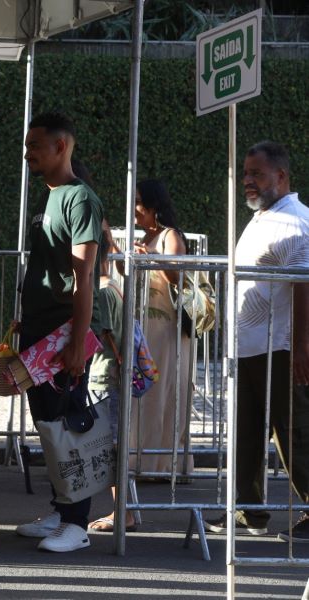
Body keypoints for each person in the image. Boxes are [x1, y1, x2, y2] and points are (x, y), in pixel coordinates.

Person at [205, 141, 309, 542]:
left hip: (280, 348)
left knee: (295, 432)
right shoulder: (265, 216)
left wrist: (301, 349)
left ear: (281, 177)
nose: (247, 181)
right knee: (247, 433)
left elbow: (303, 285)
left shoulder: (295, 221)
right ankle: (249, 510)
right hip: (250, 348)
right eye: (245, 173)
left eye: (256, 174)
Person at [14, 112, 103, 553]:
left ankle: (77, 522)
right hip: (38, 331)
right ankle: (61, 508)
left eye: (35, 146)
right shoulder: (52, 198)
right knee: (49, 425)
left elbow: (84, 277)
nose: (28, 153)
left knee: (67, 425)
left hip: (61, 334)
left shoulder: (79, 199)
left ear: (62, 146)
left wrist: (75, 344)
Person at [129, 179, 194, 478]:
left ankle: (161, 464)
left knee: (164, 393)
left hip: (167, 329)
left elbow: (178, 276)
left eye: (139, 201)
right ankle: (140, 459)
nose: (135, 209)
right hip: (148, 328)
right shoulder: (146, 237)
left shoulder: (170, 236)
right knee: (145, 395)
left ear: (154, 205)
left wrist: (150, 258)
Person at [87, 222, 132, 533]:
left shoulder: (102, 292)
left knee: (110, 450)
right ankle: (125, 511)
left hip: (104, 376)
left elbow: (102, 336)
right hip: (111, 376)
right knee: (111, 448)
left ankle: (122, 512)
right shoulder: (115, 286)